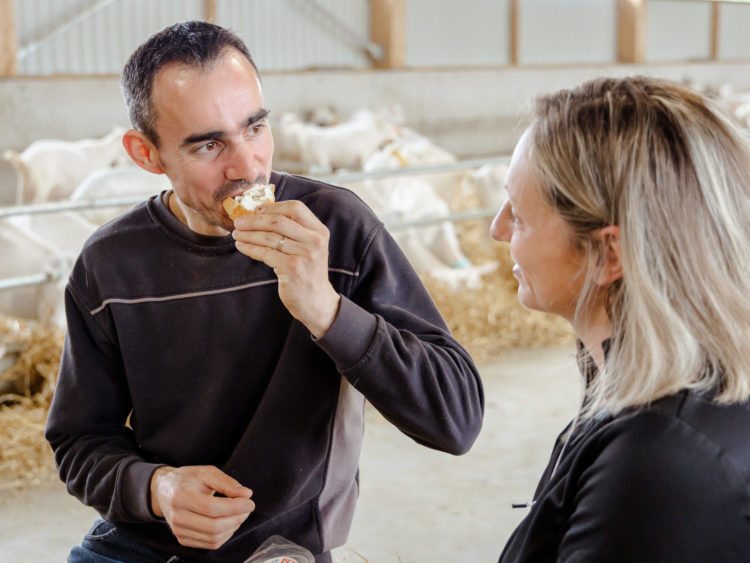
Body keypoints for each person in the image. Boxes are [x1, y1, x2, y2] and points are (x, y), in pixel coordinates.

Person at [45, 21, 484, 562]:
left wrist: (325, 309)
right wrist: (157, 489)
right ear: (146, 154)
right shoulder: (109, 265)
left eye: (255, 128)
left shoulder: (338, 228)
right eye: (208, 144)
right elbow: (78, 441)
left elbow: (456, 419)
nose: (248, 169)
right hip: (142, 542)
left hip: (280, 547)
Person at [491, 76, 750, 562]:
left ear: (607, 254)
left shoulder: (660, 464)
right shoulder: (651, 380)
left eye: (520, 216)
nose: (497, 229)